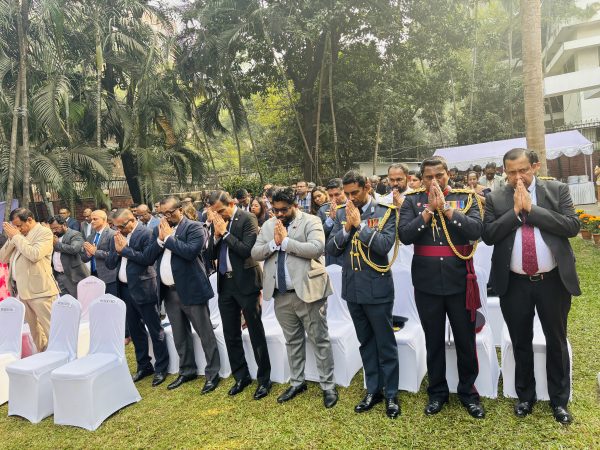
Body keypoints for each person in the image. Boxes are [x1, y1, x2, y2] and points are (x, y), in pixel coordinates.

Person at [482, 149, 580, 424]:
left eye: (523, 170)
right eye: (511, 172)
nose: (518, 177)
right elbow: (488, 235)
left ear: (534, 167)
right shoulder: (496, 197)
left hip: (552, 282)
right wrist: (515, 212)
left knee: (556, 339)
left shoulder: (556, 190)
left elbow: (572, 226)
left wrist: (531, 210)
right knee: (520, 340)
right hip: (514, 283)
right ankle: (525, 396)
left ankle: (559, 400)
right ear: (505, 172)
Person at [398, 156, 485, 419]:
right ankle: (437, 392)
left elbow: (476, 230)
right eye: (429, 177)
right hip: (427, 283)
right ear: (421, 178)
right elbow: (405, 235)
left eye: (439, 175)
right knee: (433, 340)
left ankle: (468, 393)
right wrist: (428, 211)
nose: (434, 180)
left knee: (465, 340)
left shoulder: (465, 197)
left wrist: (446, 209)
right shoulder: (412, 201)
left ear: (448, 174)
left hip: (459, 280)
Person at [252, 188, 338, 408]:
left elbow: (317, 248)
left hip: (309, 292)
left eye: (284, 210)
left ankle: (328, 385)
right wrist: (273, 244)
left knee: (319, 340)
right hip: (281, 295)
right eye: (276, 210)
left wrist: (286, 242)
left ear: (295, 206)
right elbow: (255, 253)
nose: (279, 214)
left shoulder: (311, 221)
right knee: (292, 341)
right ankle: (298, 382)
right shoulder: (269, 225)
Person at [325, 171, 400, 419]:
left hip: (377, 287)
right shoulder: (342, 213)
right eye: (346, 194)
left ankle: (391, 393)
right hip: (353, 288)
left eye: (354, 193)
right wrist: (347, 228)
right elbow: (331, 249)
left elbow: (384, 246)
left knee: (385, 343)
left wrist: (360, 226)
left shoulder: (385, 212)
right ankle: (373, 389)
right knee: (366, 342)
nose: (350, 198)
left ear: (367, 187)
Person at [147, 197, 221, 394]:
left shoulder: (194, 227)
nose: (166, 217)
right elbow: (149, 256)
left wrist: (169, 239)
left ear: (180, 209)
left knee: (204, 333)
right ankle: (187, 370)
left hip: (191, 289)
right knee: (180, 335)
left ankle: (212, 373)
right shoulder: (160, 229)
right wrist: (160, 240)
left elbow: (190, 252)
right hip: (169, 292)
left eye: (169, 213)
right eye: (162, 214)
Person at [206, 190, 272, 400]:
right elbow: (209, 255)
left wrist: (225, 233)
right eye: (214, 212)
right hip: (225, 283)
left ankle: (264, 379)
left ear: (232, 204)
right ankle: (241, 377)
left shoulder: (247, 218)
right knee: (230, 332)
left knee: (255, 331)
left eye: (221, 210)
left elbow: (247, 250)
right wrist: (216, 237)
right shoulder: (217, 223)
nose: (218, 215)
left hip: (246, 282)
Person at [105, 209, 169, 386]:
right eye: (115, 227)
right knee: (135, 330)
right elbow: (109, 264)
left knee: (154, 330)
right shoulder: (117, 236)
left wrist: (125, 250)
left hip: (144, 288)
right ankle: (144, 365)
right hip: (124, 289)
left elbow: (147, 259)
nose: (118, 230)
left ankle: (161, 367)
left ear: (132, 220)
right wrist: (117, 251)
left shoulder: (145, 233)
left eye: (120, 226)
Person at [0, 208, 59, 351]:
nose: (18, 229)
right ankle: (43, 356)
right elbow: (3, 258)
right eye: (15, 226)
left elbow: (34, 254)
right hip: (22, 291)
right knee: (35, 331)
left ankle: (60, 356)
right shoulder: (18, 235)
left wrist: (17, 237)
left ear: (30, 220)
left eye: (19, 225)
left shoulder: (44, 232)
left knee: (51, 329)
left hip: (41, 291)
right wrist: (12, 238)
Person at [48, 215, 90, 297]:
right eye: (51, 229)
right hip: (58, 276)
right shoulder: (53, 237)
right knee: (64, 302)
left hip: (73, 276)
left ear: (64, 225)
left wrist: (57, 244)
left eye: (56, 228)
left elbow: (74, 249)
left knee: (78, 300)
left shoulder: (75, 234)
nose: (54, 231)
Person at [81, 210, 118, 296]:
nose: (92, 222)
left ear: (104, 219)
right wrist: (88, 255)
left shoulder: (112, 234)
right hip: (94, 276)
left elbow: (114, 255)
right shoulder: (90, 237)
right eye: (91, 219)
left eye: (95, 219)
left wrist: (95, 252)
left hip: (110, 277)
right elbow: (84, 258)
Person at [318, 178, 347, 266]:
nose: (334, 199)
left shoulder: (353, 207)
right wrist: (330, 219)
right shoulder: (323, 209)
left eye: (337, 194)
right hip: (331, 255)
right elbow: (318, 233)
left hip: (347, 253)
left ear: (344, 191)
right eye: (331, 195)